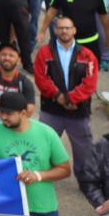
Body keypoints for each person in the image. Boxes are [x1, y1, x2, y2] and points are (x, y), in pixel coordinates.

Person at [0, 91, 71, 216]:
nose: (3, 117)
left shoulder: (47, 133)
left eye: (9, 113)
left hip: (42, 207)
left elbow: (65, 170)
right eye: (1, 112)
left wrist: (37, 176)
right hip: (6, 206)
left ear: (23, 113)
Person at [32, 15, 98, 184]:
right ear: (55, 31)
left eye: (67, 28)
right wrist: (58, 96)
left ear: (74, 30)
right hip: (51, 110)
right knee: (43, 146)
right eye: (60, 28)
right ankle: (40, 177)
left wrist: (69, 99)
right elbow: (41, 78)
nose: (64, 31)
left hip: (79, 111)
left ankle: (86, 181)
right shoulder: (44, 53)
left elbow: (90, 83)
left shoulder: (87, 54)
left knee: (84, 149)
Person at [40, 0, 109, 65]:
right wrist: (43, 31)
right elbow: (51, 13)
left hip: (90, 40)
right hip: (67, 40)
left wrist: (108, 37)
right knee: (64, 70)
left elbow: (105, 19)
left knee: (91, 70)